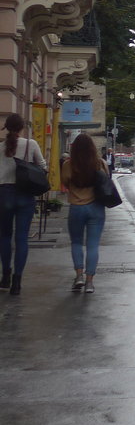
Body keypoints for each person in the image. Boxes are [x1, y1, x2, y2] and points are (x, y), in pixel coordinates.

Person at [0, 113, 49, 297]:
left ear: (6, 127)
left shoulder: (0, 147)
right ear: (22, 128)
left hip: (4, 194)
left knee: (4, 236)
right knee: (21, 238)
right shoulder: (31, 144)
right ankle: (17, 283)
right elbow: (43, 167)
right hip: (25, 195)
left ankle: (5, 276)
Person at [61, 133, 108, 294]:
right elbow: (106, 180)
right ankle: (89, 283)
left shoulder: (69, 164)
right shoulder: (99, 163)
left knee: (76, 243)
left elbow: (65, 181)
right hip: (96, 208)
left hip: (76, 207)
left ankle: (79, 276)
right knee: (93, 245)